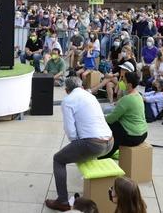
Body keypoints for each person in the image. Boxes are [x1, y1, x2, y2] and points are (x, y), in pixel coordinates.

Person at [45, 77, 113, 212]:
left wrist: (77, 145)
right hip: (110, 142)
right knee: (81, 150)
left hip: (93, 144)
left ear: (66, 90)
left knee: (58, 159)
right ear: (81, 86)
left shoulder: (68, 101)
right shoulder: (90, 96)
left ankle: (62, 201)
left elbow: (70, 132)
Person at [100, 71, 148, 159]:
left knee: (110, 127)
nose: (121, 82)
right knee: (116, 126)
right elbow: (121, 94)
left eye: (123, 80)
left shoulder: (127, 99)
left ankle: (104, 155)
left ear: (129, 84)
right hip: (143, 133)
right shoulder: (138, 95)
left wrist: (100, 118)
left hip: (133, 136)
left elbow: (111, 119)